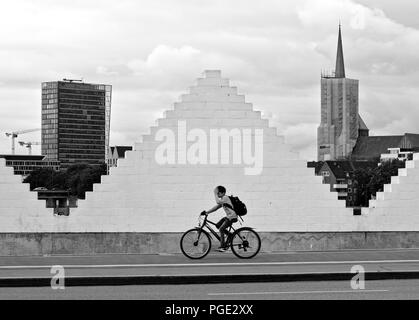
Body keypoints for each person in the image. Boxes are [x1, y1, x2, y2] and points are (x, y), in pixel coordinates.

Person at [201, 186, 238, 252]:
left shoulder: (225, 197)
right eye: (217, 193)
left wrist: (215, 193)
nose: (217, 195)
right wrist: (207, 212)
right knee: (218, 225)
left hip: (232, 217)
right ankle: (230, 235)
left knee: (221, 229)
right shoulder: (223, 201)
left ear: (223, 193)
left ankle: (223, 247)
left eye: (218, 193)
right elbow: (216, 208)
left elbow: (217, 202)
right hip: (229, 216)